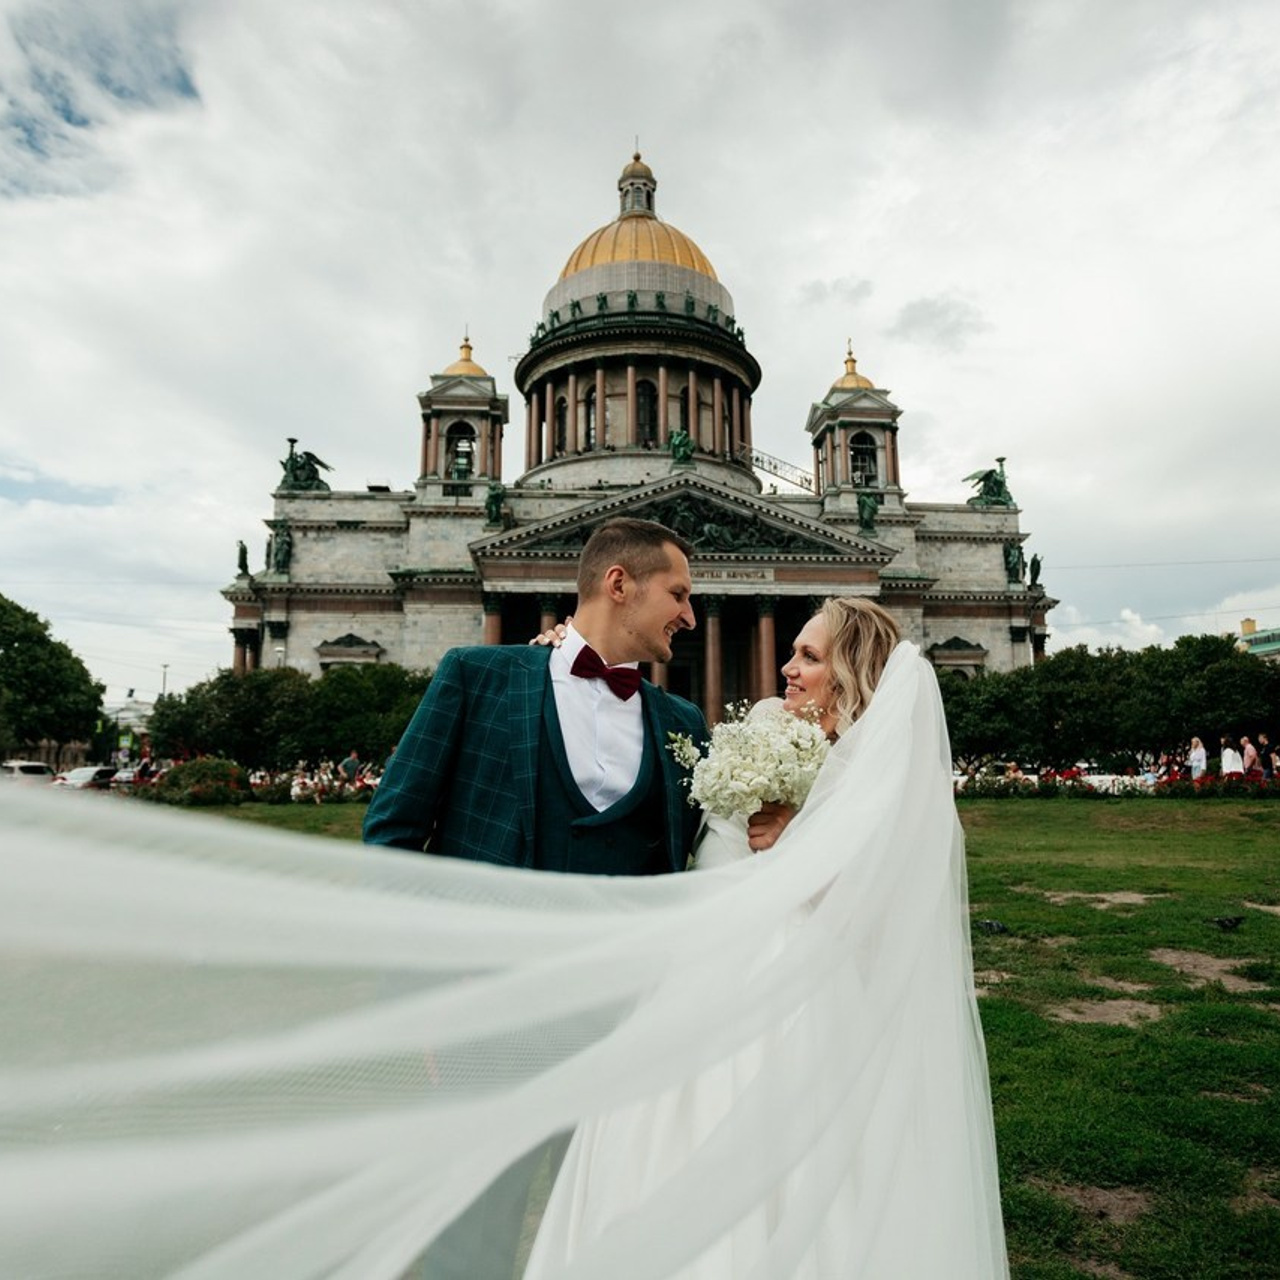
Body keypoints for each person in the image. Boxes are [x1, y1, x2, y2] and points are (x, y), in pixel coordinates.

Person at [523, 598, 1009, 1279]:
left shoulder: (880, 770)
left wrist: (793, 847)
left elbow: (883, 912)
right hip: (696, 972)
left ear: (852, 674)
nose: (787, 667)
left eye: (809, 657)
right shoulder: (762, 722)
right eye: (793, 651)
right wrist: (572, 661)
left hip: (797, 992)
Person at [363, 517, 708, 871]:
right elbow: (392, 832)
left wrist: (767, 818)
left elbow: (719, 833)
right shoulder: (477, 677)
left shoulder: (686, 723)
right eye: (677, 595)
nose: (690, 618)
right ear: (618, 585)